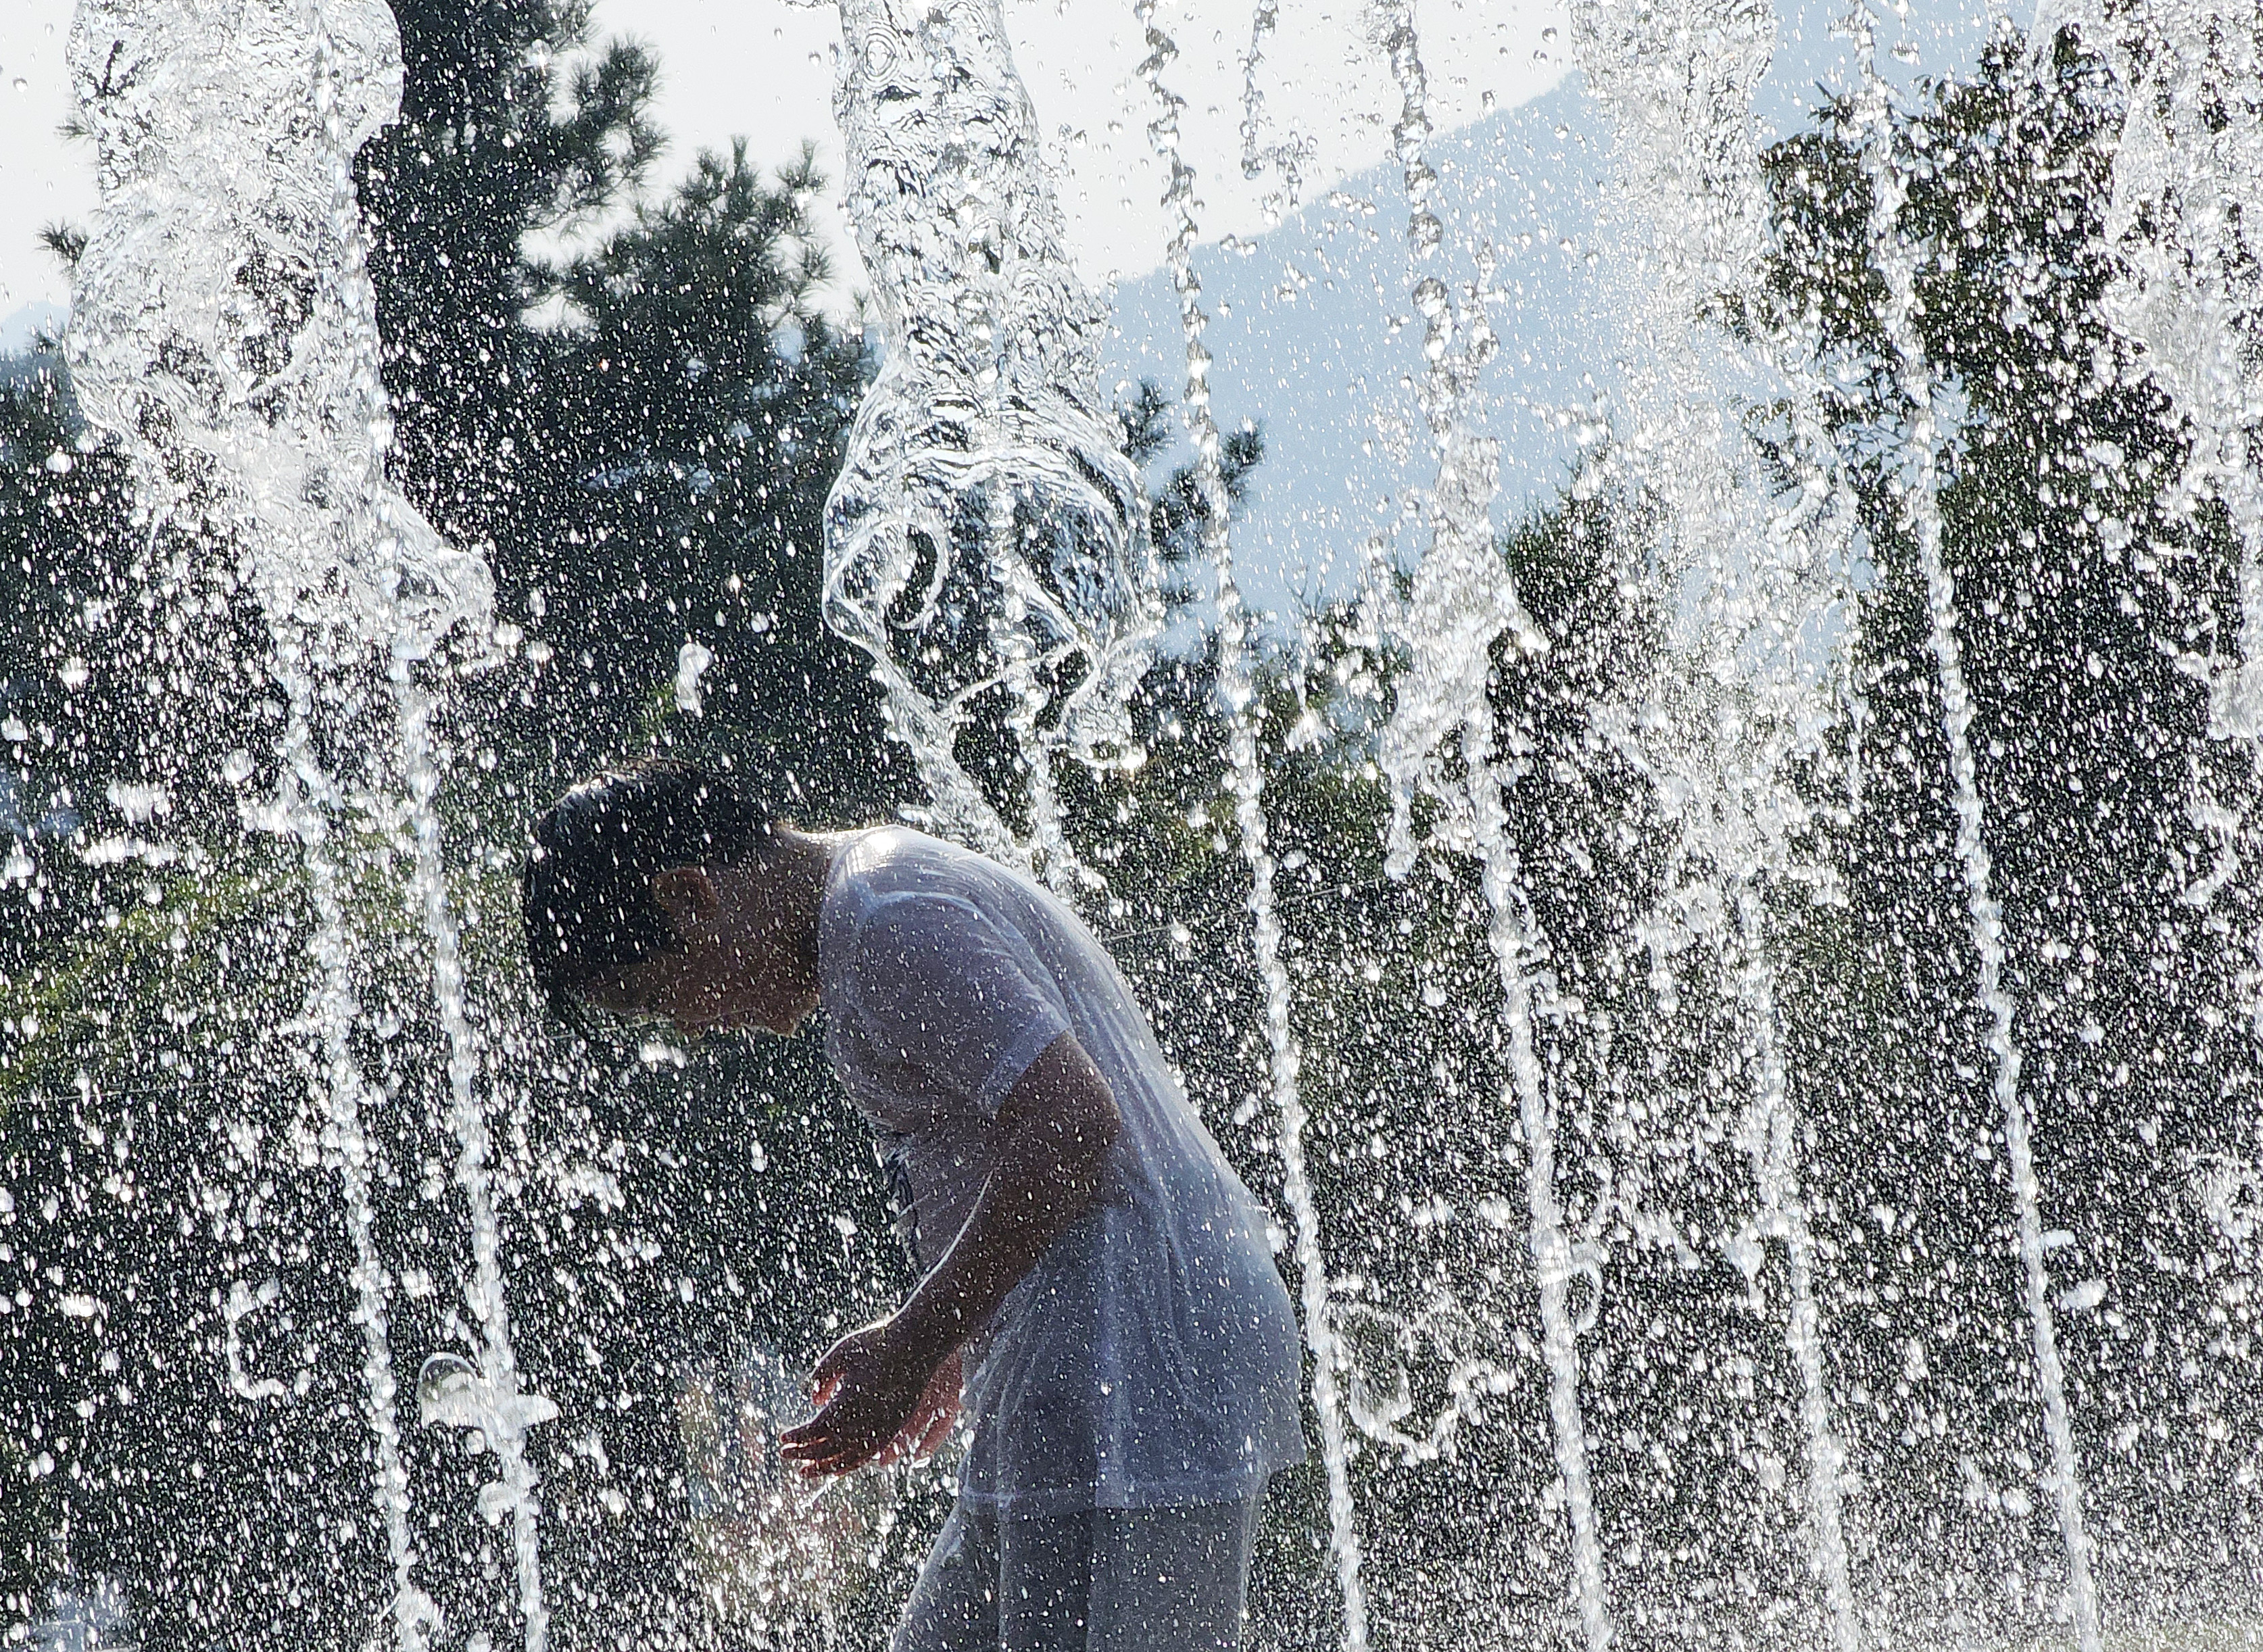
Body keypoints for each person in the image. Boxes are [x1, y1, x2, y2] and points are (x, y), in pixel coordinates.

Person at [520, 760, 1307, 1651]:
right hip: (1087, 1348)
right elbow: (1018, 1143)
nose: (691, 1026)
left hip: (1142, 1353)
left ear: (690, 896)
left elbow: (1072, 1125)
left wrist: (915, 1342)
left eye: (658, 995)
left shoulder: (888, 918)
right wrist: (944, 1333)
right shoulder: (877, 899)